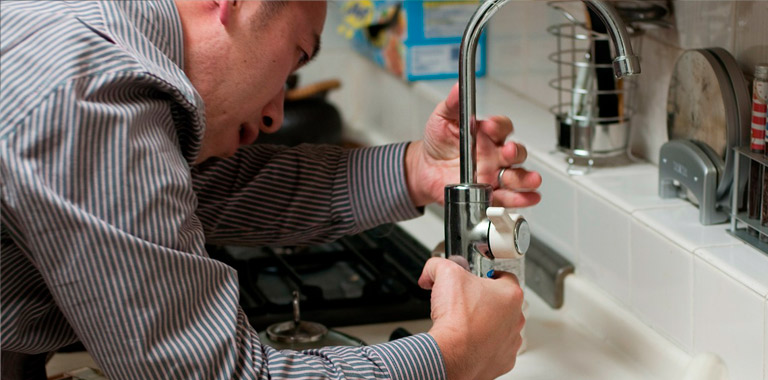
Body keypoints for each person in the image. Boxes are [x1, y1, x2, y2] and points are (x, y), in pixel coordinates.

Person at [0, 1, 542, 379]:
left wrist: (418, 169)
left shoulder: (94, 35)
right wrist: (453, 355)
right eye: (296, 58)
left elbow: (211, 189)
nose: (275, 115)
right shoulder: (93, 97)